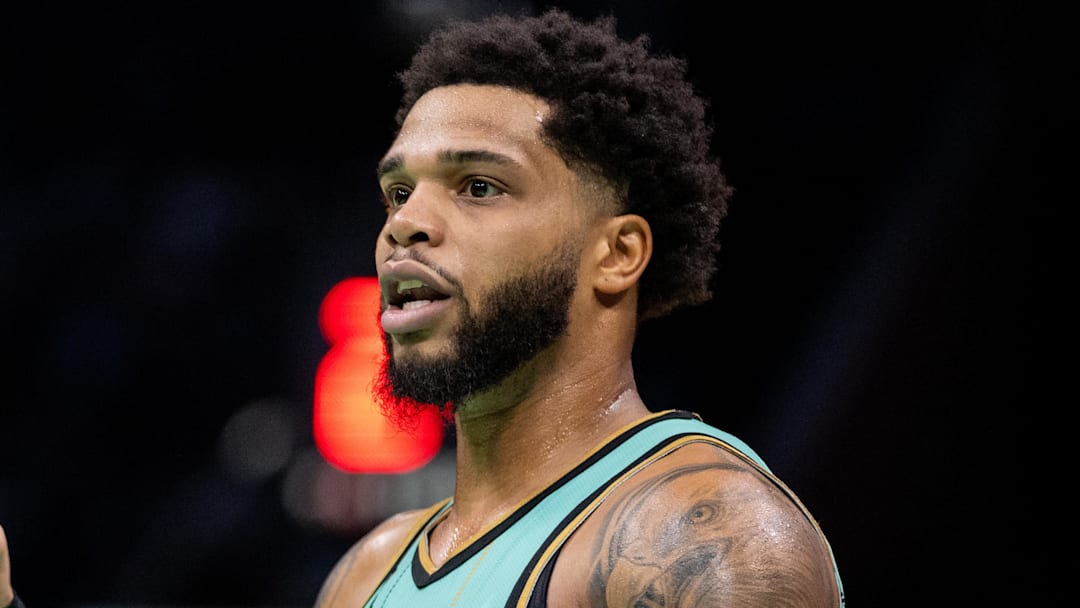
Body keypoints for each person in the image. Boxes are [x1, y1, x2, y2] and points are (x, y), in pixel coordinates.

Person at [315, 8, 844, 608]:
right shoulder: (365, 574)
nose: (405, 226)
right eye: (399, 194)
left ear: (617, 253)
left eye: (479, 187)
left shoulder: (704, 542)